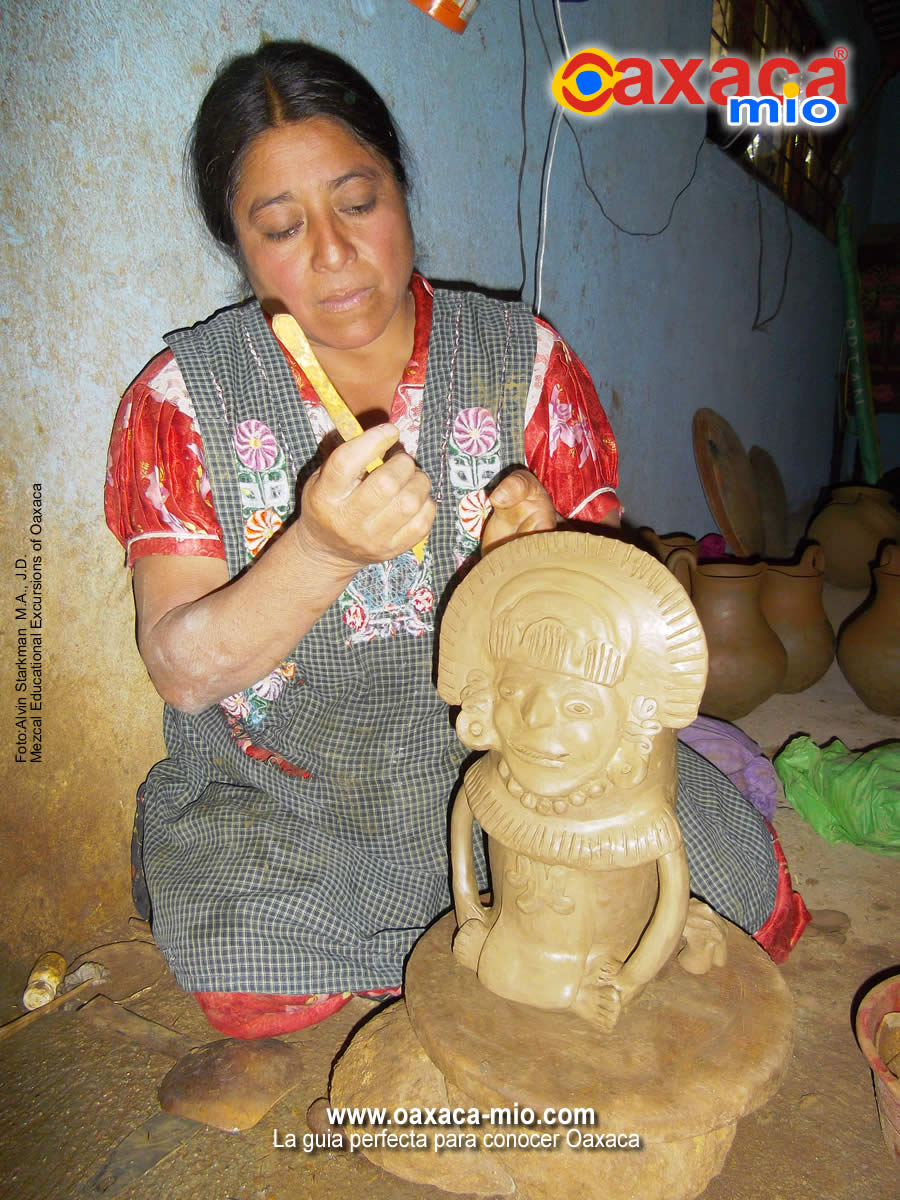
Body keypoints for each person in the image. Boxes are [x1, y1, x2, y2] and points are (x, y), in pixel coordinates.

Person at [106, 41, 806, 1040]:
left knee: (718, 872)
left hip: (527, 756)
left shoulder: (522, 361)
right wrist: (320, 550)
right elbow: (181, 672)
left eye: (359, 202)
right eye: (279, 227)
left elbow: (606, 625)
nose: (335, 254)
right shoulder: (184, 398)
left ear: (401, 188)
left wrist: (545, 554)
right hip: (293, 780)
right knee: (248, 958)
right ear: (237, 240)